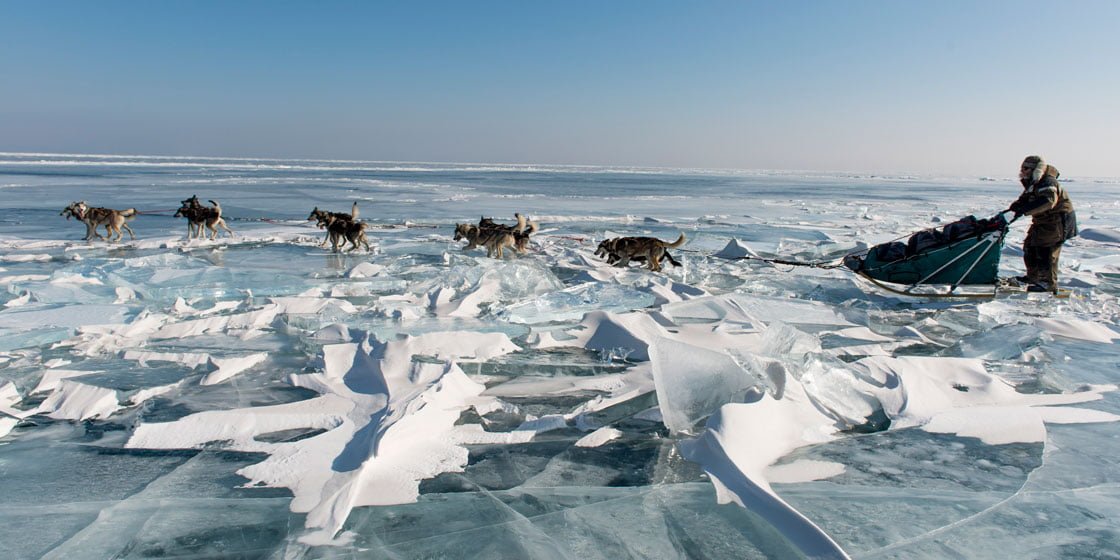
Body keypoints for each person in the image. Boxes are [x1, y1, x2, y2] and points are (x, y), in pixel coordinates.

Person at [1008, 155, 1077, 293]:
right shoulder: (1034, 182)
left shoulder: (1048, 182)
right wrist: (1014, 208)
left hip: (1057, 222)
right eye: (1022, 168)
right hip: (1043, 222)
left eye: (1026, 168)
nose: (1023, 171)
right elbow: (1025, 199)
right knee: (1030, 247)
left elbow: (1048, 201)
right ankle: (1034, 278)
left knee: (1046, 250)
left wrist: (1025, 210)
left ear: (1035, 169)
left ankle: (1047, 283)